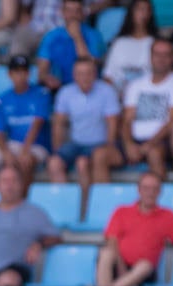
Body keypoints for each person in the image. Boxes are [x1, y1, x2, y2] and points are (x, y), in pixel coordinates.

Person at [96, 172, 173, 286]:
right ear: (139, 190)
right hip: (119, 265)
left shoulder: (168, 216)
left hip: (143, 273)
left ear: (160, 192)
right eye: (146, 188)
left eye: (154, 189)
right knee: (106, 253)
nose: (150, 193)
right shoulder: (121, 211)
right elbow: (111, 241)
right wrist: (122, 268)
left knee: (145, 266)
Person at [45, 55, 121, 190]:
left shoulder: (107, 91)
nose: (84, 77)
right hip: (75, 143)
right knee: (54, 163)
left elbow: (112, 123)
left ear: (95, 74)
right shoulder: (65, 92)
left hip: (100, 143)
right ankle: (65, 205)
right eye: (80, 74)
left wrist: (110, 146)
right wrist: (57, 149)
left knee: (82, 164)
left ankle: (88, 208)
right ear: (74, 75)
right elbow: (58, 124)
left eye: (88, 73)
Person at [121, 38, 173, 180]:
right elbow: (127, 120)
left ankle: (161, 199)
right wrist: (129, 145)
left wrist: (148, 145)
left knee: (154, 152)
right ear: (150, 57)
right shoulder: (135, 85)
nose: (161, 59)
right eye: (157, 54)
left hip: (162, 142)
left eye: (166, 55)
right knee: (100, 155)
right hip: (136, 141)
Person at [0, 55, 50, 180]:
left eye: (24, 71)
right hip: (12, 144)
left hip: (36, 145)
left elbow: (37, 123)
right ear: (10, 74)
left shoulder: (41, 93)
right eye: (17, 72)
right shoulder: (2, 99)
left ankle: (22, 198)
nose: (20, 76)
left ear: (29, 73)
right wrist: (6, 152)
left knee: (25, 161)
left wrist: (25, 150)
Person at [36, 0, 104, 91]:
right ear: (62, 12)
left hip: (88, 87)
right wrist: (48, 79)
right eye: (69, 11)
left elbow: (90, 67)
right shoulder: (51, 36)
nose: (73, 15)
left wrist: (77, 37)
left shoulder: (94, 35)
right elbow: (42, 71)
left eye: (77, 11)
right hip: (59, 88)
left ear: (82, 13)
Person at [101, 0, 155, 94]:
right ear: (131, 12)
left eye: (147, 10)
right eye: (140, 9)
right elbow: (108, 76)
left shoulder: (155, 43)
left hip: (148, 94)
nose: (143, 13)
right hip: (119, 95)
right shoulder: (119, 43)